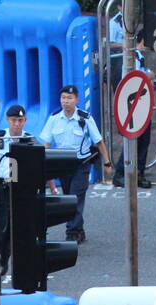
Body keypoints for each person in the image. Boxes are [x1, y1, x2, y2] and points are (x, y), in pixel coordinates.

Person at [38, 84, 112, 243]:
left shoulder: (85, 118)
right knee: (68, 198)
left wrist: (107, 163)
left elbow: (99, 142)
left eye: (69, 98)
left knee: (75, 197)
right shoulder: (54, 118)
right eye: (63, 98)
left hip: (81, 164)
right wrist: (45, 165)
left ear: (76, 100)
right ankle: (79, 229)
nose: (66, 101)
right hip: (61, 165)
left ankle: (72, 231)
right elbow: (46, 143)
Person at [108, 14, 153, 190]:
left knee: (144, 140)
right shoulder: (131, 57)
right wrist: (146, 76)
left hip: (142, 103)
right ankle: (120, 173)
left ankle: (140, 172)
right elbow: (129, 79)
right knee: (134, 139)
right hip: (132, 106)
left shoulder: (139, 57)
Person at [0, 104, 34, 276]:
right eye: (13, 120)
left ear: (25, 121)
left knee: (22, 228)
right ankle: (2, 259)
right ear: (7, 120)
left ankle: (22, 266)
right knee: (3, 227)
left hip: (22, 187)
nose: (17, 124)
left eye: (20, 120)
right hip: (3, 186)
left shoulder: (30, 140)